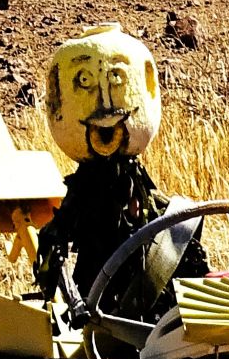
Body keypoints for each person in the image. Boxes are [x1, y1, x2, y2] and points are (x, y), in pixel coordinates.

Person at [36, 23, 206, 324]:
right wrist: (73, 301)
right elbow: (55, 246)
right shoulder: (82, 196)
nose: (104, 102)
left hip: (154, 316)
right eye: (85, 80)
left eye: (116, 77)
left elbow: (178, 239)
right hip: (96, 309)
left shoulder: (157, 204)